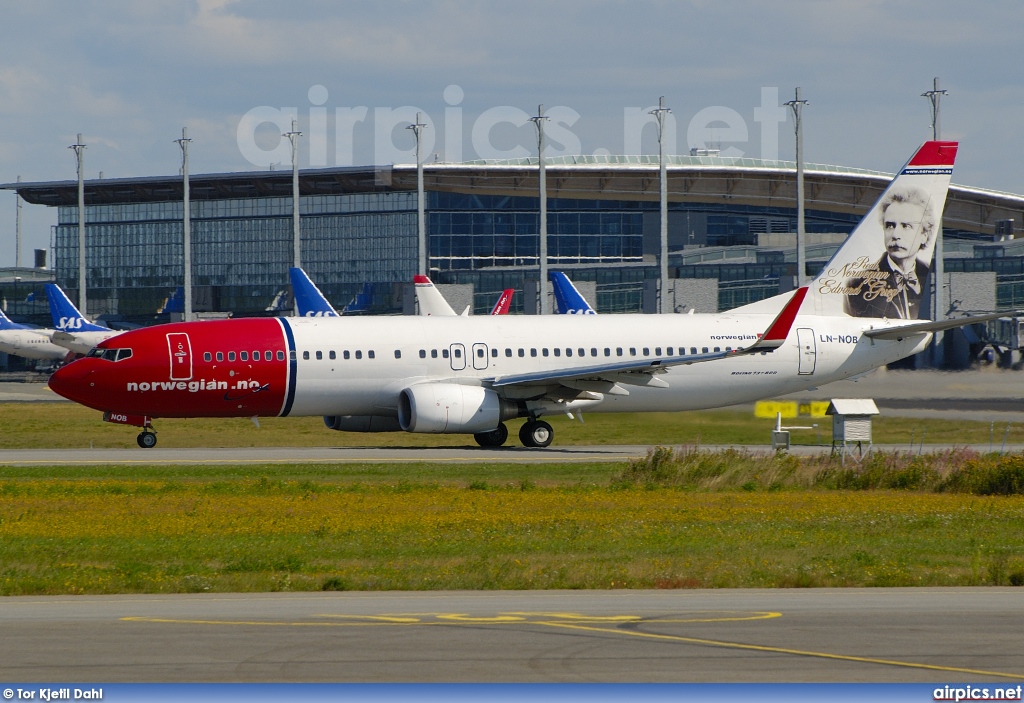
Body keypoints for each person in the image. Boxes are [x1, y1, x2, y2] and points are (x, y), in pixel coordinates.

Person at [844, 187, 935, 319]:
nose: (895, 235)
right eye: (890, 226)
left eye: (906, 226)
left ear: (924, 235)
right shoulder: (857, 285)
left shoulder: (930, 277)